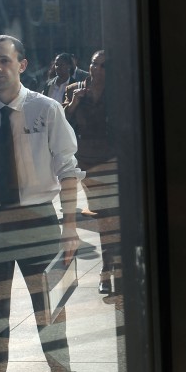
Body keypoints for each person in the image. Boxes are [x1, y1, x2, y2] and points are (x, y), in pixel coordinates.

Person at [0, 35, 84, 372]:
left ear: (22, 65)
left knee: (49, 307)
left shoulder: (46, 109)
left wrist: (69, 226)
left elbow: (67, 168)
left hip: (38, 220)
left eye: (4, 61)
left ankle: (59, 367)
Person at [62, 50, 119, 294]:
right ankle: (108, 270)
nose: (97, 70)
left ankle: (111, 268)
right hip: (87, 162)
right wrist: (74, 102)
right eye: (94, 64)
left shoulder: (118, 92)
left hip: (114, 160)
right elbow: (62, 123)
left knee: (113, 216)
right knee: (103, 216)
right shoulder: (75, 89)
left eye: (103, 66)